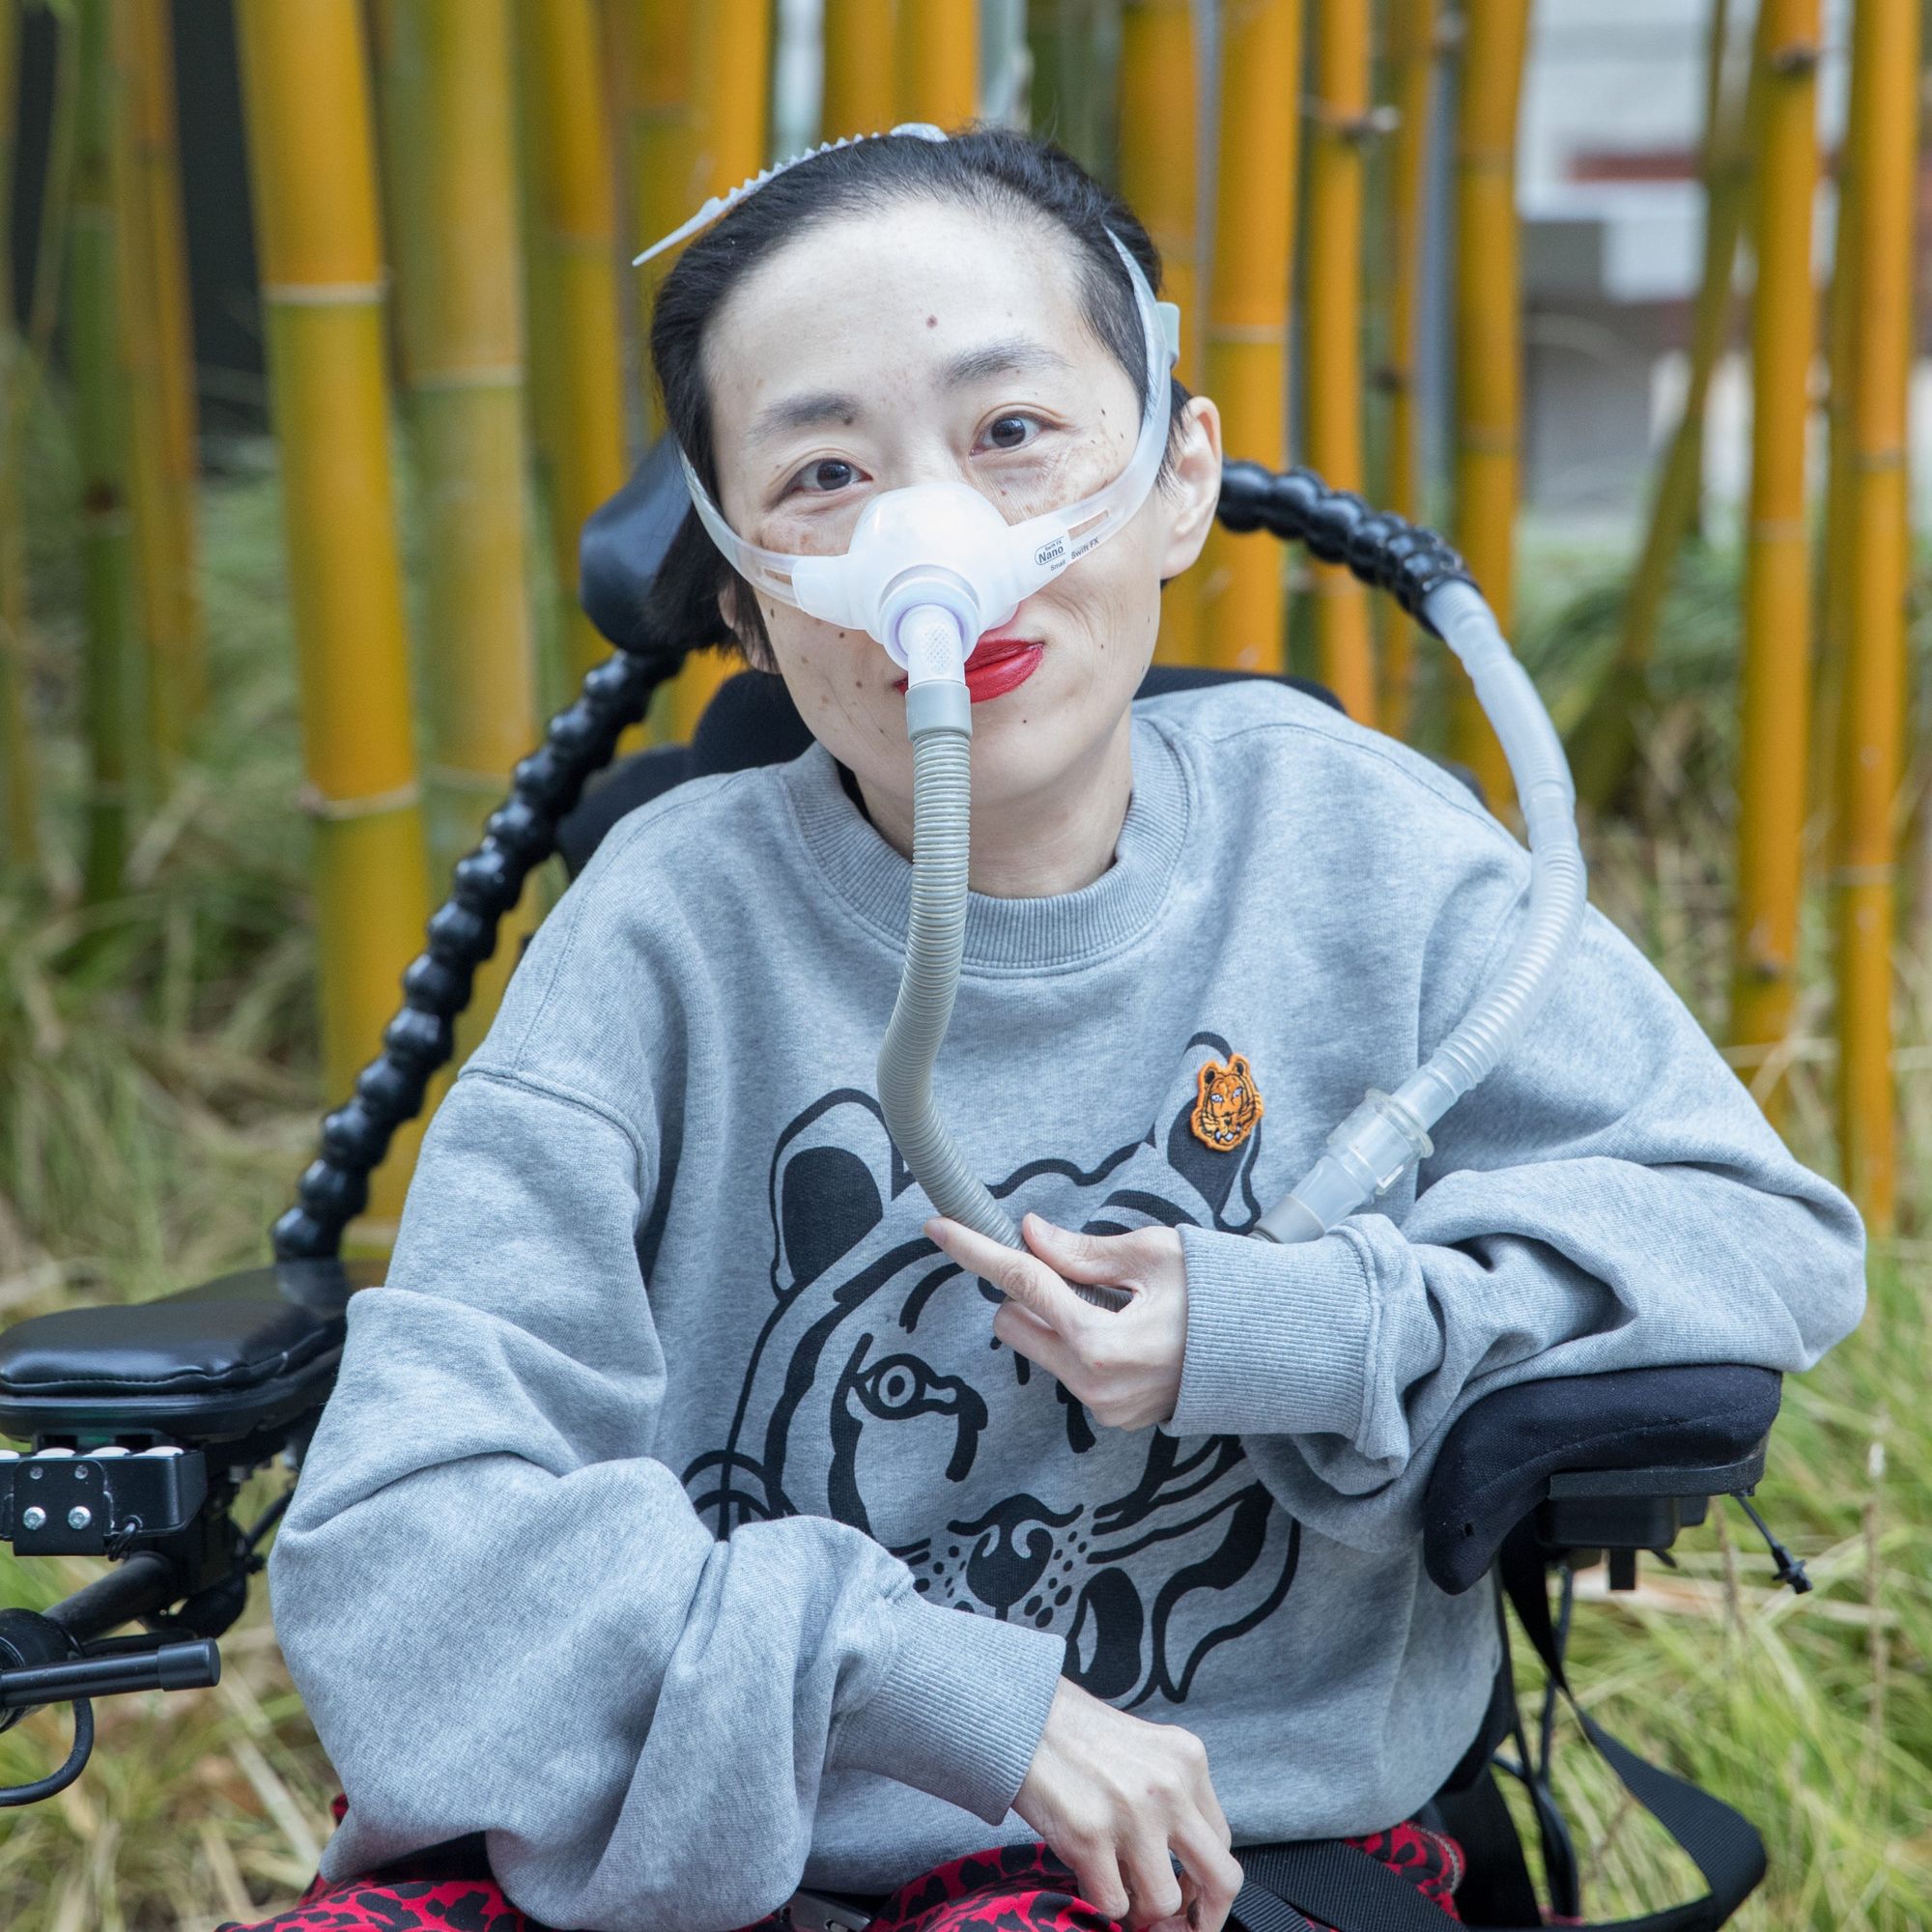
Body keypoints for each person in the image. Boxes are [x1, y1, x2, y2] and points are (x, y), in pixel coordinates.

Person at [235, 128, 1867, 1932]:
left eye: (1012, 433)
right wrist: (943, 1691)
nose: (937, 537)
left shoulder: (1359, 853)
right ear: (739, 595)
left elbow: (1758, 1237)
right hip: (712, 1853)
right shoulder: (665, 929)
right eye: (827, 470)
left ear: (1180, 478)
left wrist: (1311, 1330)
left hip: (1221, 1855)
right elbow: (406, 1546)